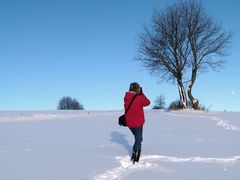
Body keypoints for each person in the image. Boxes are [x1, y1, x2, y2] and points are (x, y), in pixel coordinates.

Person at [124, 82, 150, 164]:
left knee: (138, 138)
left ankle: (135, 152)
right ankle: (136, 158)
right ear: (137, 88)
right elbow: (147, 103)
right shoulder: (139, 98)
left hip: (129, 123)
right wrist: (142, 93)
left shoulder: (126, 97)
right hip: (138, 122)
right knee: (138, 140)